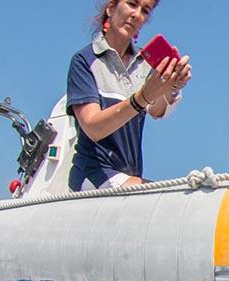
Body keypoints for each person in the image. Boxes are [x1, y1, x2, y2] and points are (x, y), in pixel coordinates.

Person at [67, 0, 191, 191]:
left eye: (145, 10)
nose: (137, 14)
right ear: (111, 8)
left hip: (128, 177)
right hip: (92, 174)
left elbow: (157, 111)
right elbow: (93, 128)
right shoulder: (84, 61)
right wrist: (141, 98)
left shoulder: (144, 63)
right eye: (132, 4)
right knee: (163, 195)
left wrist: (170, 86)